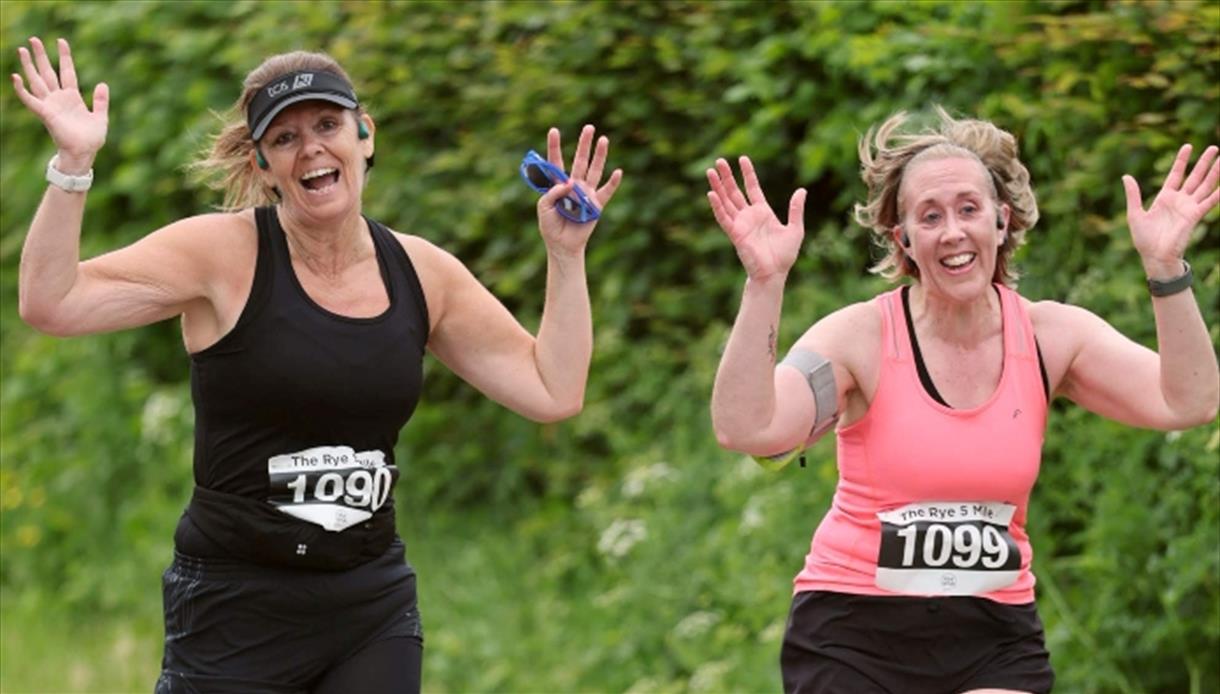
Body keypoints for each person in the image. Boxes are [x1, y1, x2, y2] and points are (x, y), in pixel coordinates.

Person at [12, 36, 622, 693]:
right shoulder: (221, 255)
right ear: (265, 164)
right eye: (284, 138)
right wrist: (72, 165)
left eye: (328, 125)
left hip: (367, 604)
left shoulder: (422, 273)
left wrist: (565, 257)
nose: (311, 150)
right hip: (235, 608)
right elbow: (53, 303)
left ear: (365, 135)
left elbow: (552, 388)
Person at [707, 106, 1218, 693]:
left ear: (1001, 222)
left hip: (991, 632)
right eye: (930, 217)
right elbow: (748, 428)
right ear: (904, 240)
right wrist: (765, 283)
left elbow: (1190, 402)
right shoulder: (859, 340)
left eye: (969, 210)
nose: (953, 231)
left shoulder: (1052, 338)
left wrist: (1166, 268)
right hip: (854, 630)